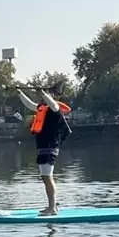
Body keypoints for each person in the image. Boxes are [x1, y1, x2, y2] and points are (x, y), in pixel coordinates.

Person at [16, 86, 72, 216]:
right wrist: (19, 93)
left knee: (47, 177)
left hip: (50, 147)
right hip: (42, 147)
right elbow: (30, 104)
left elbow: (52, 103)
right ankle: (52, 207)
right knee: (46, 177)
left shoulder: (55, 109)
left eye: (48, 95)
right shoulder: (43, 109)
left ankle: (52, 208)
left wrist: (43, 93)